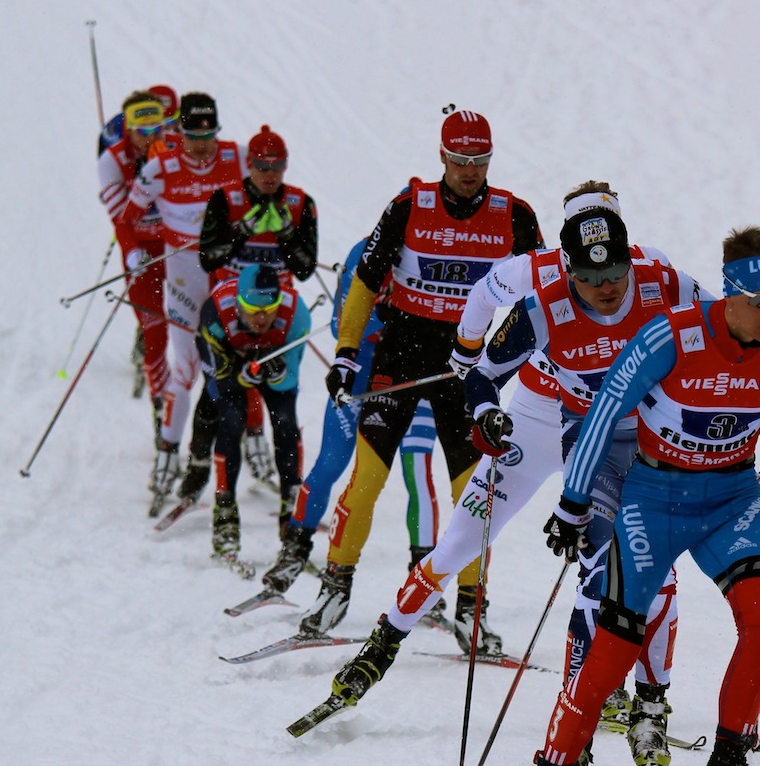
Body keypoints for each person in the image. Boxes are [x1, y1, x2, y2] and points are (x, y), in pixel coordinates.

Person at [329, 185, 697, 766]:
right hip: (534, 417)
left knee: (635, 569)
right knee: (459, 544)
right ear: (567, 257)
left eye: (616, 268)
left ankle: (630, 698)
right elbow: (479, 368)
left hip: (611, 439)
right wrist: (481, 405)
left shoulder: (661, 278)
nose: (606, 287)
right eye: (589, 272)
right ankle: (383, 642)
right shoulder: (543, 285)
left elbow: (718, 332)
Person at [497, 226, 760, 766]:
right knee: (615, 645)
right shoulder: (672, 336)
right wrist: (573, 502)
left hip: (730, 502)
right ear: (730, 293)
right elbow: (602, 411)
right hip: (654, 500)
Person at [295, 109, 543, 638]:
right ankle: (334, 590)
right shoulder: (409, 206)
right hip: (400, 353)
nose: (469, 170)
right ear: (442, 156)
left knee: (474, 494)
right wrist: (344, 352)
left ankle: (472, 609)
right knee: (366, 480)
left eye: (479, 160)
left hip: (466, 365)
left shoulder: (514, 214)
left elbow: (544, 292)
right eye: (459, 160)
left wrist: (514, 356)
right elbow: (365, 278)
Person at [261, 237, 445, 611]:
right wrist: (387, 317)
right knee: (331, 463)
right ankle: (293, 554)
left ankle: (422, 583)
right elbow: (338, 327)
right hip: (362, 370)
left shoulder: (441, 251)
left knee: (417, 471)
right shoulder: (365, 253)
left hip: (413, 374)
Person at [177, 124, 319, 509]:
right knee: (215, 394)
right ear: (249, 164)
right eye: (261, 165)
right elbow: (208, 256)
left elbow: (305, 268)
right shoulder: (226, 199)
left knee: (281, 400)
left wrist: (287, 235)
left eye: (277, 166)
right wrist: (241, 231)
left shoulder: (301, 204)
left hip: (275, 318)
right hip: (227, 317)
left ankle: (289, 485)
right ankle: (198, 465)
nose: (269, 175)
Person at [120, 92, 247, 512]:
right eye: (193, 135)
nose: (201, 145)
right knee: (186, 370)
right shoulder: (160, 169)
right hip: (183, 275)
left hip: (226, 270)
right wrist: (137, 250)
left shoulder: (238, 156)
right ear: (179, 132)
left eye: (208, 134)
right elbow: (128, 220)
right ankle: (166, 454)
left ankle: (251, 450)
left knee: (242, 362)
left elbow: (272, 182)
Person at [196, 264, 311, 556]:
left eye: (268, 309)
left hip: (273, 356)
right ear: (238, 302)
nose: (261, 318)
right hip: (229, 361)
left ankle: (291, 511)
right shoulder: (215, 315)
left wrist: (278, 374)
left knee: (285, 421)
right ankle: (225, 510)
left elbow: (291, 380)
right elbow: (216, 382)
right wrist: (241, 377)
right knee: (231, 420)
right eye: (252, 310)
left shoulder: (296, 315)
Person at [97, 91, 170, 432]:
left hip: (176, 250)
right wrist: (130, 251)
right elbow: (120, 219)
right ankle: (161, 414)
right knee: (155, 333)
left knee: (201, 331)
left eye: (157, 129)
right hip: (141, 252)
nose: (150, 138)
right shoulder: (111, 160)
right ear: (128, 129)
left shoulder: (173, 149)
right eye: (143, 131)